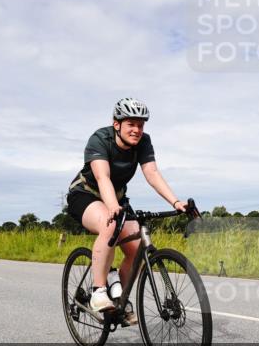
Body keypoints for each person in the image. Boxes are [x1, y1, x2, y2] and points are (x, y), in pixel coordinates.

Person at [67, 98, 192, 324]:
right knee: (110, 222)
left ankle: (118, 303)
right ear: (117, 124)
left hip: (118, 199)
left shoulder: (143, 142)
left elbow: (152, 173)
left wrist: (175, 202)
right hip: (85, 194)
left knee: (135, 250)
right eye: (131, 124)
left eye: (140, 125)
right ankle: (98, 292)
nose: (136, 130)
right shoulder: (99, 139)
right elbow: (102, 177)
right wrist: (113, 207)